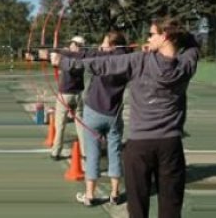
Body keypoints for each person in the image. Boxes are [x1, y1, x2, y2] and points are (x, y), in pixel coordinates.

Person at [51, 16, 199, 217]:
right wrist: (167, 40)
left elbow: (101, 65)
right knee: (171, 206)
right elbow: (192, 44)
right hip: (171, 145)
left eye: (151, 34)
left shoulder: (139, 60)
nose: (148, 38)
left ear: (165, 36)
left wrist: (64, 62)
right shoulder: (186, 64)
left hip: (140, 147)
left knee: (137, 207)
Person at [73, 31, 130, 207]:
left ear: (113, 46)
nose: (101, 45)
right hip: (114, 115)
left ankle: (89, 195)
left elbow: (82, 60)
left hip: (94, 113)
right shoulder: (128, 61)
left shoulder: (102, 59)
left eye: (105, 43)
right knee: (114, 152)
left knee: (93, 154)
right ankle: (115, 194)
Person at [50, 35, 86, 161]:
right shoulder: (83, 57)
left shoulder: (66, 56)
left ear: (75, 45)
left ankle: (56, 152)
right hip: (79, 94)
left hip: (65, 94)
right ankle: (85, 152)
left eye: (72, 43)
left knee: (60, 124)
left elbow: (54, 61)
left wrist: (56, 51)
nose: (70, 45)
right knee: (80, 123)